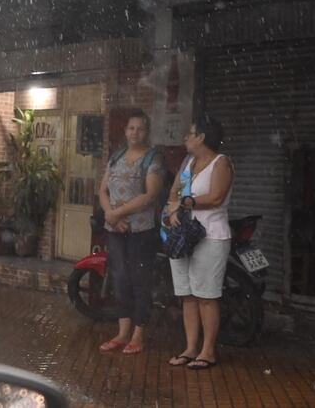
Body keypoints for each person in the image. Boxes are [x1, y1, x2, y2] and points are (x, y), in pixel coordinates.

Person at [166, 115, 233, 370]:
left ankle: (208, 351)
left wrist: (185, 203)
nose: (186, 137)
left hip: (210, 236)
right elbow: (173, 192)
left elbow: (216, 197)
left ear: (202, 137)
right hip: (183, 235)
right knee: (188, 296)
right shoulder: (188, 163)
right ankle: (191, 348)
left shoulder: (221, 162)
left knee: (206, 296)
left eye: (190, 133)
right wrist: (172, 212)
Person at [98, 110, 164, 355]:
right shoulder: (116, 157)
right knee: (120, 279)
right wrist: (110, 215)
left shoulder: (152, 159)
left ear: (147, 132)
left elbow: (150, 195)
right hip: (115, 229)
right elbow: (103, 190)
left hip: (140, 231)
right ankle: (122, 332)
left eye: (141, 128)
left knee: (140, 280)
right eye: (131, 128)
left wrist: (118, 213)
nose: (135, 132)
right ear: (125, 131)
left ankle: (138, 334)